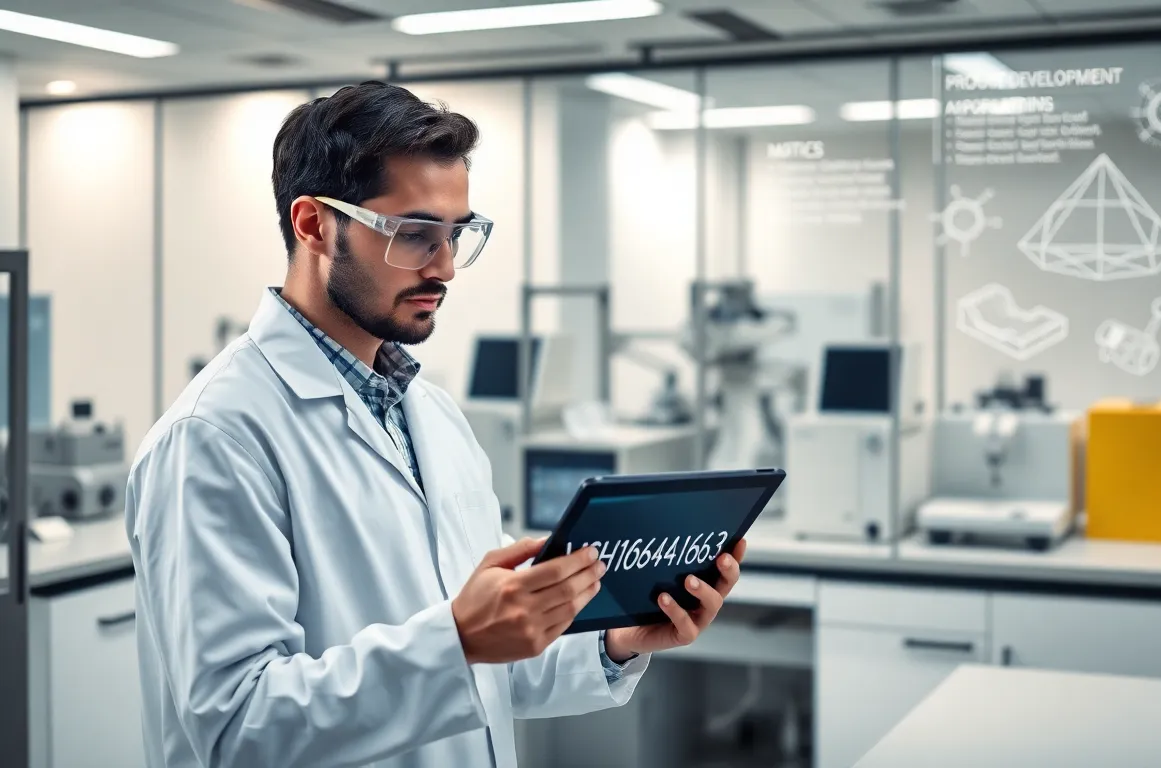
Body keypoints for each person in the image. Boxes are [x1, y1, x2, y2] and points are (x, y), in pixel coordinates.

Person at [125, 80, 749, 768]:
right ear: (312, 225)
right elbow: (236, 727)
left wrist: (615, 639)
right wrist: (456, 640)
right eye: (414, 234)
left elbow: (492, 670)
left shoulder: (432, 415)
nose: (446, 266)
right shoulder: (214, 437)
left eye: (457, 234)